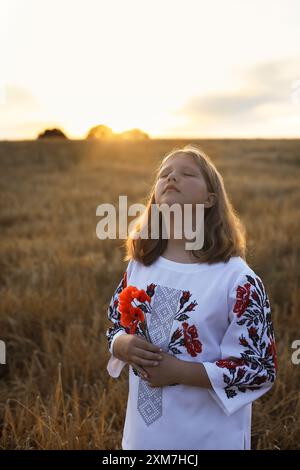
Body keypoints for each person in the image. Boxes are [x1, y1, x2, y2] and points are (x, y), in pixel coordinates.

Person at [105, 144, 278, 450]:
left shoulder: (237, 279)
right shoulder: (140, 265)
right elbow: (114, 325)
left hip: (208, 438)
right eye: (165, 174)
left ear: (210, 199)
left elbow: (260, 367)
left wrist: (180, 372)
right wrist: (123, 344)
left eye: (187, 174)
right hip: (143, 438)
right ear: (156, 196)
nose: (172, 178)